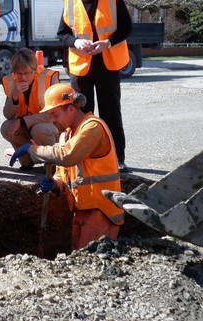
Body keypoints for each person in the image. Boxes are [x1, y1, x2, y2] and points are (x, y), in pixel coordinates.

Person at [9, 83, 124, 251]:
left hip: (101, 212)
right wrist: (56, 184)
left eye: (54, 114)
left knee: (90, 265)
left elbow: (67, 156)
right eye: (50, 116)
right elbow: (65, 173)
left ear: (70, 108)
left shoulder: (92, 127)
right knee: (78, 263)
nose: (52, 120)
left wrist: (32, 149)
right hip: (81, 210)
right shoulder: (66, 135)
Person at [57, 0, 132, 172]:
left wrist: (107, 43)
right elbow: (62, 34)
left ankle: (117, 159)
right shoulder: (70, 0)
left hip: (107, 64)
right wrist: (75, 42)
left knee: (111, 113)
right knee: (82, 114)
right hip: (80, 67)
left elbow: (127, 28)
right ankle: (83, 158)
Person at [1, 48, 60, 170]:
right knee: (6, 128)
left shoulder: (49, 78)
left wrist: (21, 121)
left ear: (35, 70)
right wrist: (15, 96)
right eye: (19, 73)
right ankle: (28, 160)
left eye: (27, 73)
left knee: (39, 129)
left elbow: (53, 114)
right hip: (28, 126)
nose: (23, 77)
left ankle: (51, 162)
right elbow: (8, 116)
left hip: (50, 125)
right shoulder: (11, 81)